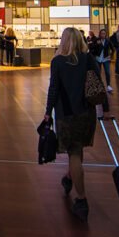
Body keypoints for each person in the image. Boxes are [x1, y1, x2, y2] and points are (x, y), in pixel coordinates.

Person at [43, 27, 106, 222]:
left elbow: (54, 88)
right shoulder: (88, 59)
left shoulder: (58, 62)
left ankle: (81, 198)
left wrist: (47, 112)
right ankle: (70, 177)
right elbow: (97, 84)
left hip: (67, 113)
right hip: (86, 112)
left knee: (74, 152)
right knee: (78, 150)